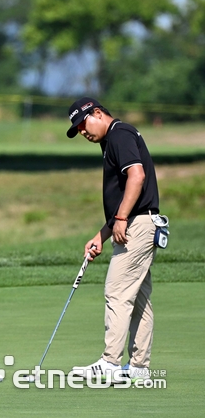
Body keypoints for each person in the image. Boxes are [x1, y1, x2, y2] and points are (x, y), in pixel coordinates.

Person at [65, 97, 161, 383]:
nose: (83, 132)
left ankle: (110, 362)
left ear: (97, 113)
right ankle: (140, 368)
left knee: (117, 291)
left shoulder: (119, 134)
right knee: (138, 299)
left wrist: (120, 220)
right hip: (138, 223)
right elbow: (123, 196)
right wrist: (102, 235)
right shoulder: (113, 139)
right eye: (78, 129)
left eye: (83, 124)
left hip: (136, 225)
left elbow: (137, 176)